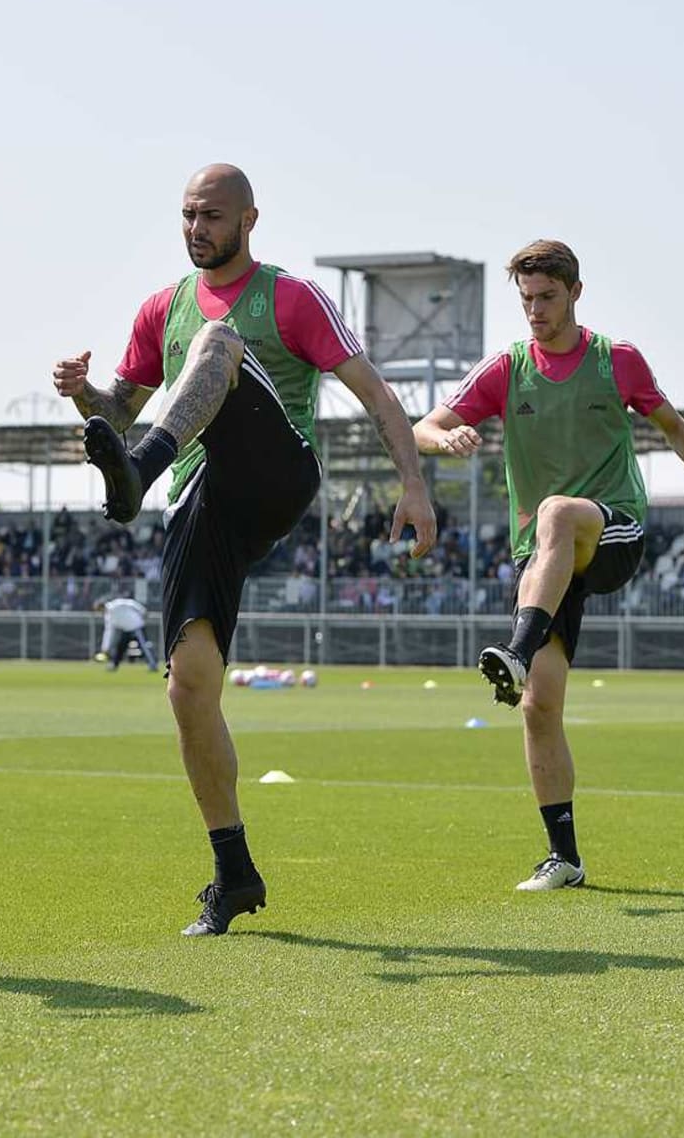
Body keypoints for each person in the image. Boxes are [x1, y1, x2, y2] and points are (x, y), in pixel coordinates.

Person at [53, 163, 436, 935]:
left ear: (249, 221)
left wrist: (414, 486)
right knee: (188, 688)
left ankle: (137, 477)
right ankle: (234, 874)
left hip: (274, 472)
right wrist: (82, 395)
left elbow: (377, 393)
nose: (198, 228)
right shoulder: (161, 308)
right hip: (199, 500)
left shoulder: (289, 297)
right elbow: (118, 413)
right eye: (189, 215)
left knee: (221, 342)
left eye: (213, 216)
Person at [414, 239, 684, 892]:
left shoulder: (617, 361)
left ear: (575, 293)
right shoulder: (505, 368)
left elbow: (678, 431)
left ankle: (514, 650)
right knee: (539, 706)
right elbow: (420, 429)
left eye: (547, 297)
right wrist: (447, 437)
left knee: (554, 512)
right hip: (545, 561)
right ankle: (564, 857)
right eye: (526, 300)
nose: (536, 311)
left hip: (613, 531)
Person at [95, 595, 158, 672]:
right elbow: (108, 632)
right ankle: (114, 665)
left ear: (102, 606)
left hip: (136, 626)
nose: (99, 612)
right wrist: (105, 648)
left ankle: (153, 664)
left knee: (144, 646)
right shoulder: (108, 617)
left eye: (99, 609)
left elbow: (131, 603)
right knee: (120, 648)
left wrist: (143, 611)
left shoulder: (116, 605)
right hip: (126, 630)